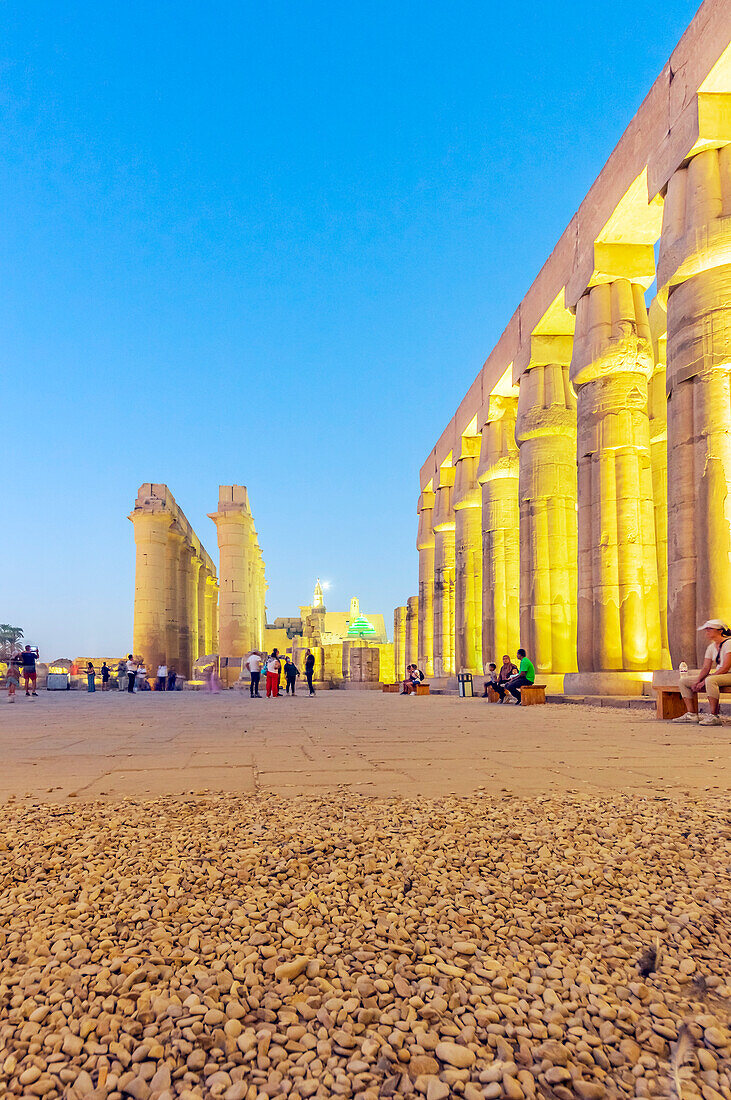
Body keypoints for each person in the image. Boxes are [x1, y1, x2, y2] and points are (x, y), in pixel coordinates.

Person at [674, 619, 731, 726]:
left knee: (710, 680)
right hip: (721, 675)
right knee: (684, 681)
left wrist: (704, 681)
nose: (707, 632)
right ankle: (692, 714)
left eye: (710, 629)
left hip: (728, 674)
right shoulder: (711, 647)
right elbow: (706, 668)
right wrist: (698, 680)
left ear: (719, 631)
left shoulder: (729, 643)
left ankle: (714, 715)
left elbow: (725, 667)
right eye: (706, 630)